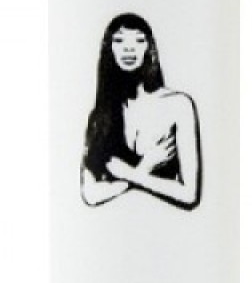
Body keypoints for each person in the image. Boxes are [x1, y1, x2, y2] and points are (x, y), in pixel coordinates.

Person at [81, 13, 202, 210]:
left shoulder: (179, 105)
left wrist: (128, 173)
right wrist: (144, 167)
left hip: (169, 225)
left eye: (138, 40)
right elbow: (90, 194)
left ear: (149, 48)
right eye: (119, 40)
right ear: (109, 49)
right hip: (116, 225)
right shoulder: (101, 115)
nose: (128, 48)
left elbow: (189, 194)